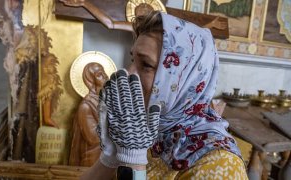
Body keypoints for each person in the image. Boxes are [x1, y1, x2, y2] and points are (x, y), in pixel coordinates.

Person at [80, 11, 248, 180]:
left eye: (146, 64)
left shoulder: (220, 166)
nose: (128, 73)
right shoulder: (150, 131)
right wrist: (111, 157)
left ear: (185, 78)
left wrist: (134, 161)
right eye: (133, 60)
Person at [69, 63, 109, 166]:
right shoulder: (86, 106)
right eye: (99, 75)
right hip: (93, 163)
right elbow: (93, 139)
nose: (105, 76)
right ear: (90, 81)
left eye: (104, 72)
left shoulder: (105, 102)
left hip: (106, 160)